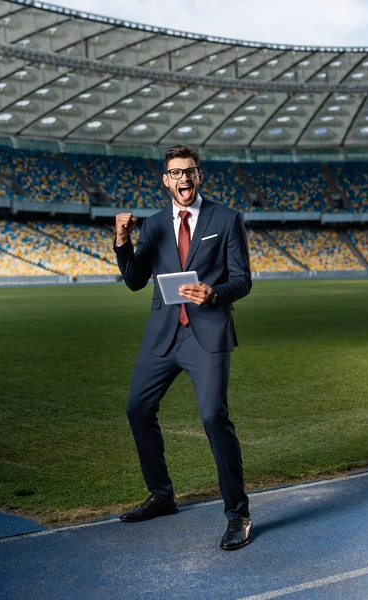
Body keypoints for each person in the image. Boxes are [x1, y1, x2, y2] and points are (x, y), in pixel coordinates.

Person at [114, 144, 252, 551]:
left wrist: (213, 293)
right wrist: (123, 242)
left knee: (213, 417)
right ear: (166, 180)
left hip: (206, 333)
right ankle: (162, 496)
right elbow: (136, 280)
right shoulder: (154, 224)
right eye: (175, 173)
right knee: (137, 408)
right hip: (163, 335)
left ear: (199, 175)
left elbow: (243, 280)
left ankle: (238, 514)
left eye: (189, 171)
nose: (183, 179)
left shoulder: (226, 219)